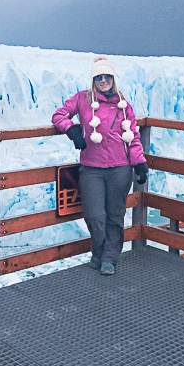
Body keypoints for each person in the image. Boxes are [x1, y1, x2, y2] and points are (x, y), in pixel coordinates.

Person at [52, 56, 148, 275]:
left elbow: (132, 136)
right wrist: (72, 129)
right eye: (98, 77)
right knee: (94, 214)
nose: (103, 80)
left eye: (107, 76)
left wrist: (139, 162)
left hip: (120, 167)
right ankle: (99, 251)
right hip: (91, 168)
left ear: (113, 79)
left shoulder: (123, 106)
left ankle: (109, 258)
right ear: (93, 79)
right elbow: (58, 115)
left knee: (115, 214)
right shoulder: (82, 99)